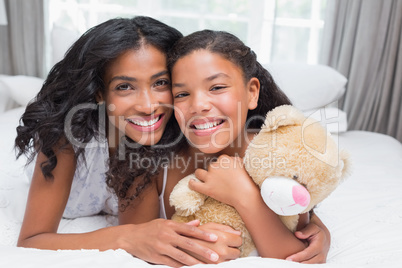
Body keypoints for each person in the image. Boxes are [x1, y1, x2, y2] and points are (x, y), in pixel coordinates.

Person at [14, 17, 242, 267]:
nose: (148, 106)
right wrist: (126, 237)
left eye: (160, 83)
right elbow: (32, 239)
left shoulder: (182, 128)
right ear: (100, 93)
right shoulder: (68, 137)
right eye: (124, 86)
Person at [107, 29, 330, 264]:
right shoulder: (149, 161)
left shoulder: (277, 153)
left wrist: (243, 195)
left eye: (216, 87)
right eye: (182, 93)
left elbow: (296, 256)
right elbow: (136, 244)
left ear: (252, 92)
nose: (199, 105)